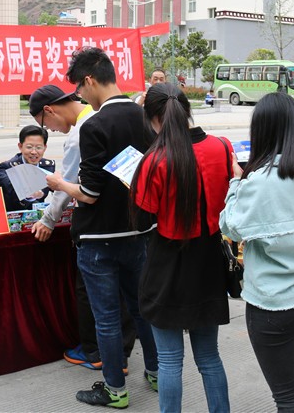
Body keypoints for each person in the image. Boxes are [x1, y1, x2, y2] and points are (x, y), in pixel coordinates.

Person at [46, 47, 158, 409]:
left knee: (107, 318)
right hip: (138, 232)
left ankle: (115, 390)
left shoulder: (94, 125)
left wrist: (60, 184)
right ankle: (156, 373)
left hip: (98, 239)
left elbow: (90, 194)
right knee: (141, 310)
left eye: (80, 88)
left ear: (90, 80)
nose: (81, 96)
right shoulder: (143, 117)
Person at [220, 92, 294, 412]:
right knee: (292, 388)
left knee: (287, 399)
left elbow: (230, 227)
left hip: (271, 306)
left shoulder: (260, 181)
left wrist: (236, 182)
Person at [130, 83, 232, 413]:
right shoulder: (221, 147)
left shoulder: (155, 160)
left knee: (170, 361)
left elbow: (142, 220)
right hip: (209, 264)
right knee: (209, 357)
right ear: (187, 110)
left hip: (167, 268)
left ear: (152, 118)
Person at [27, 85, 137, 372]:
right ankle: (125, 355)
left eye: (45, 124)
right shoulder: (118, 117)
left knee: (93, 296)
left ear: (49, 110)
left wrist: (48, 219)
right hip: (133, 225)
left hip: (97, 229)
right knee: (127, 296)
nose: (50, 129)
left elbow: (73, 185)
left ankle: (97, 354)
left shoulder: (81, 132)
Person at [0, 125, 55, 210]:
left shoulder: (48, 166)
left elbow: (56, 189)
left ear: (45, 147)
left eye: (38, 147)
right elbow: (9, 196)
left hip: (40, 214)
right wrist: (29, 196)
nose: (34, 152)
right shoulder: (9, 167)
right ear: (20, 146)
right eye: (29, 147)